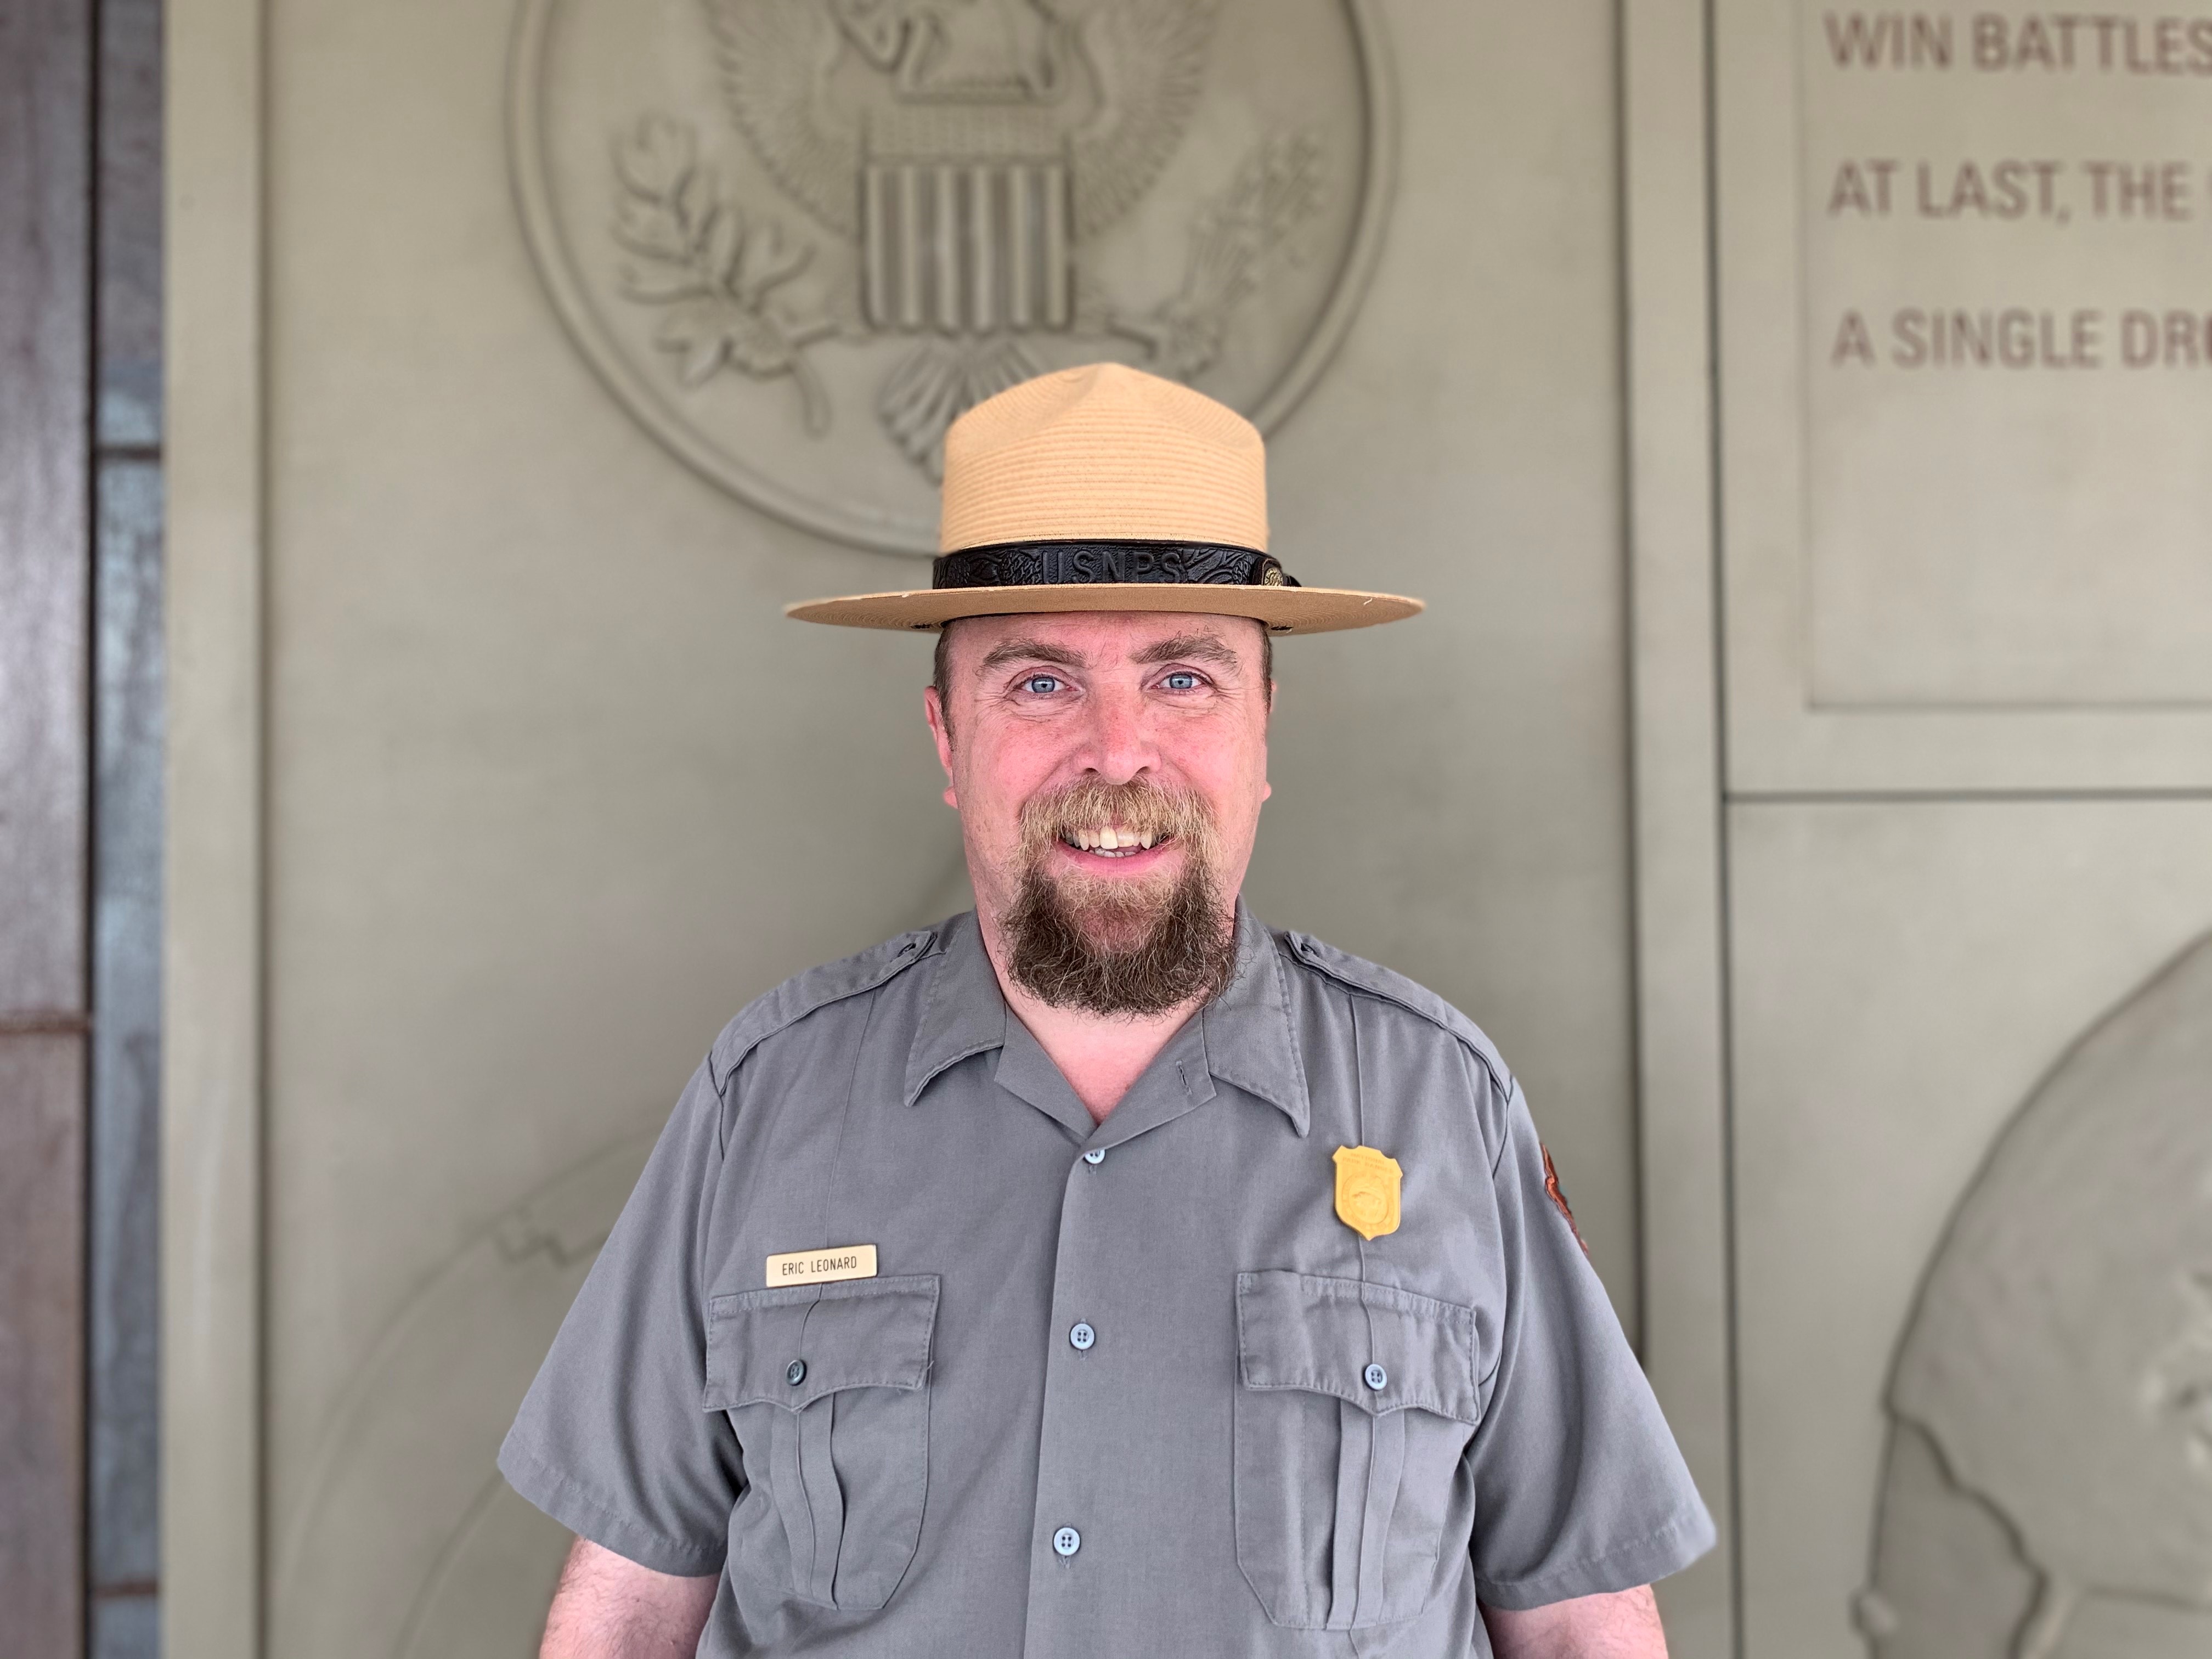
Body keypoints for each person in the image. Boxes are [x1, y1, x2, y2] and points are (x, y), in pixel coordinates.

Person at [499, 362, 1714, 1657]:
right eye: (1039, 683)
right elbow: (626, 1613)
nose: (1118, 753)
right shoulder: (767, 1102)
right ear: (945, 739)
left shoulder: (1444, 1106)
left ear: (1264, 734)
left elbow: (1584, 1624)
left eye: (1183, 678)